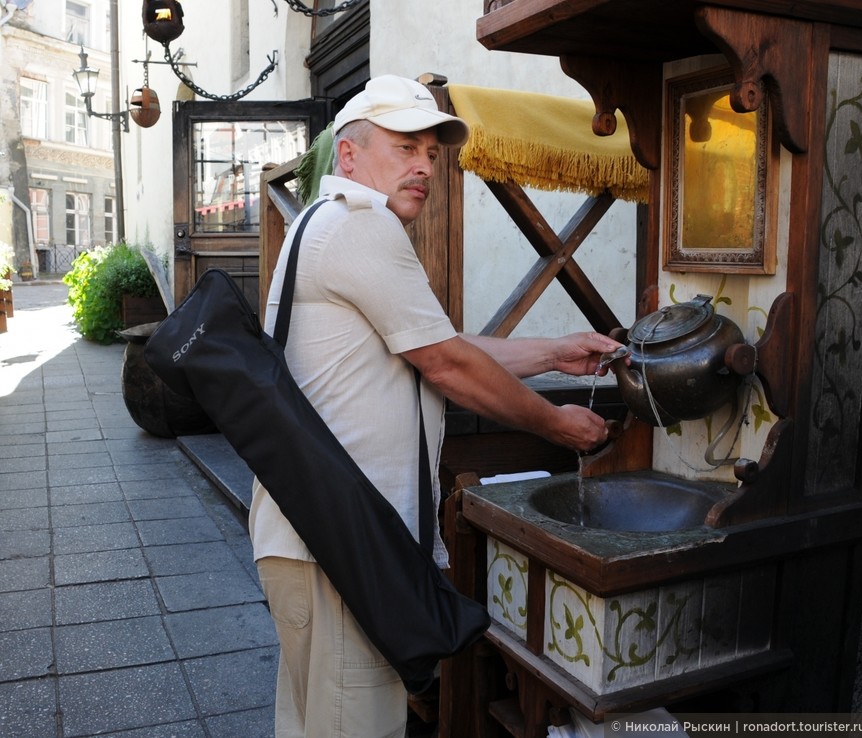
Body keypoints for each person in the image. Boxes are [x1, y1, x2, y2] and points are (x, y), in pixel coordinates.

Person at [249, 74, 625, 738]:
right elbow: (447, 364)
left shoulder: (324, 222)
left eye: (430, 150)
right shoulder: (361, 226)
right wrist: (559, 424)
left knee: (312, 723)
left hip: (312, 533)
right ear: (350, 156)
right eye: (404, 146)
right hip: (340, 542)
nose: (424, 165)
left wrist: (553, 352)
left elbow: (437, 344)